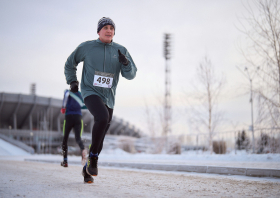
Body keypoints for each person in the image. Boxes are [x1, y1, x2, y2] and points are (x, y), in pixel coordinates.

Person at [64, 17, 137, 184]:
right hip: (90, 92)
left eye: (111, 28)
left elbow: (131, 75)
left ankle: (87, 169)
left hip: (109, 97)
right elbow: (70, 63)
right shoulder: (87, 47)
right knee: (102, 117)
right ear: (99, 31)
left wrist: (125, 63)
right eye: (105, 27)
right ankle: (94, 158)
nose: (109, 30)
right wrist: (72, 80)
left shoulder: (121, 50)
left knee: (102, 133)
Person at [60, 86, 88, 168]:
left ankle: (65, 161)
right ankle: (83, 149)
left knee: (65, 139)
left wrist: (63, 108)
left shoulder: (67, 92)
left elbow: (65, 100)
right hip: (78, 117)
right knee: (78, 138)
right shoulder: (80, 94)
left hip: (69, 117)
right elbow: (84, 106)